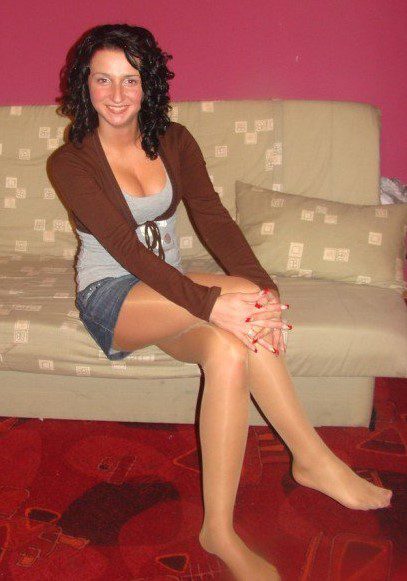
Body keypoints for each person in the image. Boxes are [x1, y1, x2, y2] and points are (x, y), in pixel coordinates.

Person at [47, 24, 393, 581]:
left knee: (230, 352)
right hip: (114, 296)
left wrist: (262, 287)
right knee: (241, 303)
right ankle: (312, 457)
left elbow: (212, 217)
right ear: (83, 84)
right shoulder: (70, 162)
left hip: (171, 288)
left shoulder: (175, 140)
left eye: (130, 80)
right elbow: (125, 251)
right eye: (103, 79)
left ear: (148, 84)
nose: (116, 94)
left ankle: (219, 531)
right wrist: (214, 303)